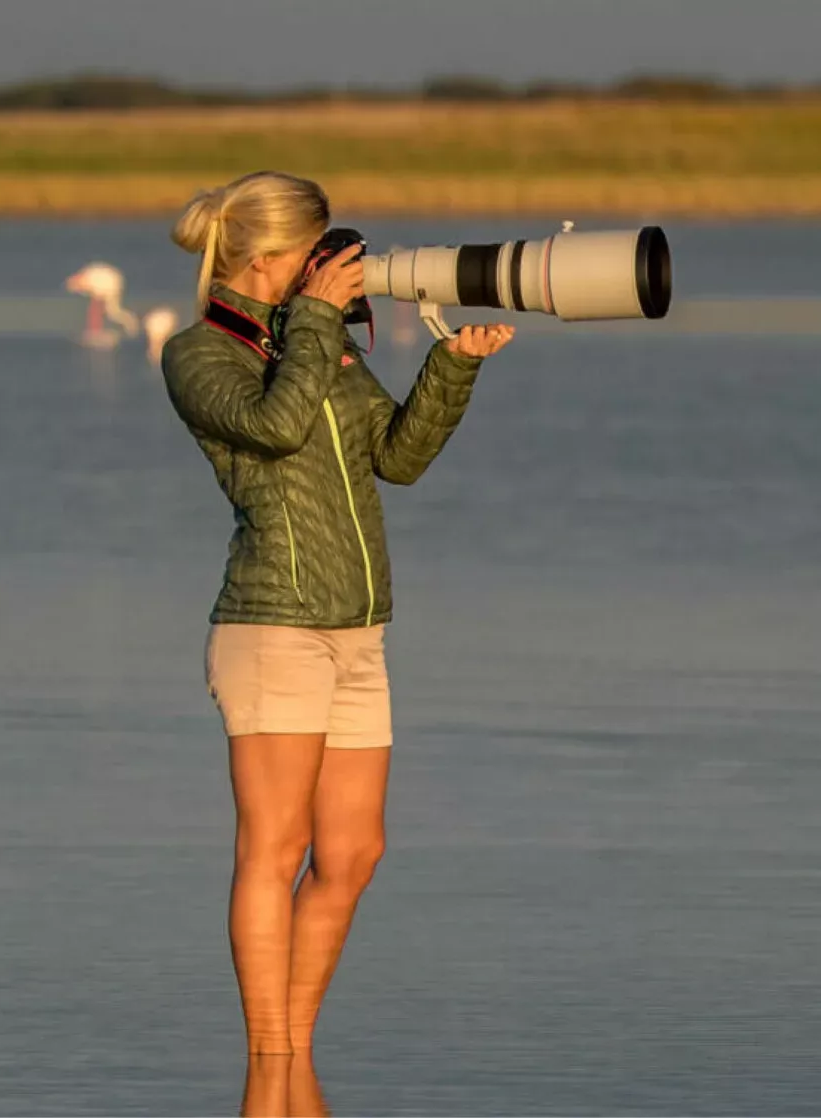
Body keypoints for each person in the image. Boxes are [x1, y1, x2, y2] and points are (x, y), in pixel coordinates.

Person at [159, 170, 514, 1057]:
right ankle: (270, 1060)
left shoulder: (325, 343)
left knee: (353, 856)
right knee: (273, 853)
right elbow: (275, 428)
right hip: (272, 621)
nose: (335, 264)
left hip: (359, 631)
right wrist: (317, 321)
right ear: (275, 254)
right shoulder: (199, 352)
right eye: (316, 249)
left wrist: (452, 366)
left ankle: (294, 1053)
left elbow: (394, 461)